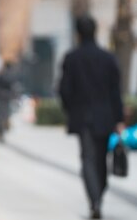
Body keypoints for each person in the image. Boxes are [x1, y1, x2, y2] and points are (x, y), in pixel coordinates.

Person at [59, 15, 125, 219]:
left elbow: (64, 89)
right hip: (105, 116)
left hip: (81, 116)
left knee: (87, 158)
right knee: (100, 159)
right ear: (95, 31)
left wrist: (70, 109)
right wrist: (119, 118)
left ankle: (94, 200)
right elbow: (116, 91)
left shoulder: (71, 58)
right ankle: (98, 195)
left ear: (78, 33)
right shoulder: (108, 58)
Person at [0, 61, 19, 143]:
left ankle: (0, 131)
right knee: (4, 116)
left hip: (0, 99)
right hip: (6, 99)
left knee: (0, 116)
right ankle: (1, 131)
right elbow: (14, 89)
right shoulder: (11, 76)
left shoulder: (1, 75)